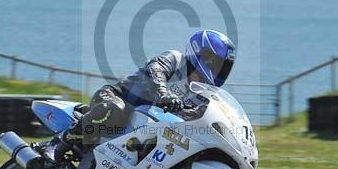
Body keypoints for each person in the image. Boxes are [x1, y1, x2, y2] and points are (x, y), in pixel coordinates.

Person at [47, 29, 236, 157]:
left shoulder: (203, 94)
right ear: (202, 54)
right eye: (216, 63)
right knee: (116, 110)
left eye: (224, 67)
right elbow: (156, 70)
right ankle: (61, 141)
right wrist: (163, 93)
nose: (218, 70)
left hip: (146, 128)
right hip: (116, 98)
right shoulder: (175, 59)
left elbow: (202, 117)